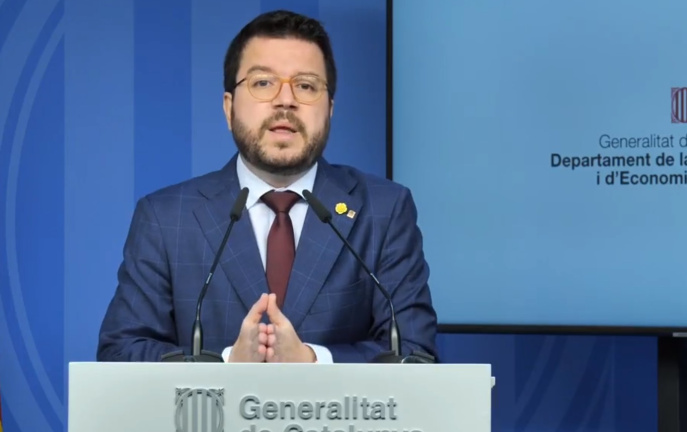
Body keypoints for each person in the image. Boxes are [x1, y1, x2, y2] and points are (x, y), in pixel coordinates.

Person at [96, 9, 438, 363]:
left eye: (306, 86)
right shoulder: (167, 218)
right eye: (263, 83)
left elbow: (415, 353)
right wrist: (226, 363)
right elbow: (120, 353)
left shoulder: (384, 210)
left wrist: (312, 361)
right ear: (229, 108)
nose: (285, 100)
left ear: (330, 109)